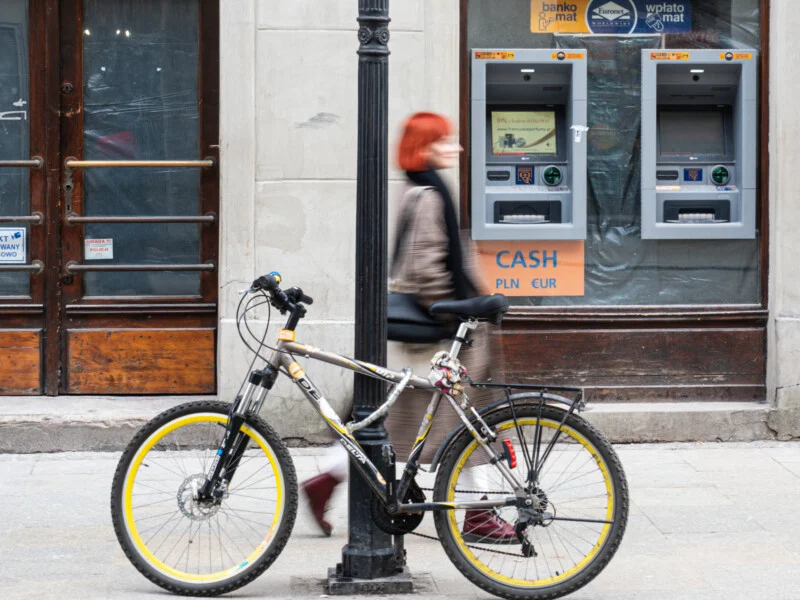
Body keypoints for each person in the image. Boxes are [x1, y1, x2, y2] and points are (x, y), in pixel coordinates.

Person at [302, 112, 514, 541]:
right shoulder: (429, 195)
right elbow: (423, 271)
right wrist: (460, 312)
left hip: (443, 334)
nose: (455, 149)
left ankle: (324, 480)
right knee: (464, 422)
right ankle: (479, 514)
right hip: (444, 337)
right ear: (426, 147)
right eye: (444, 142)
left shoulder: (421, 188)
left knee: (424, 423)